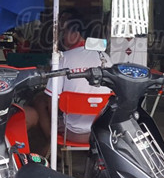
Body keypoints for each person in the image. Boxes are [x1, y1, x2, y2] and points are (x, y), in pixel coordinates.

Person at [26, 14, 112, 149]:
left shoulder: (63, 58)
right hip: (102, 131)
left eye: (65, 33)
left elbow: (52, 99)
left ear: (75, 34)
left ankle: (52, 142)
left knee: (40, 101)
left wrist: (56, 120)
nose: (62, 37)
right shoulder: (106, 58)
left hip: (73, 133)